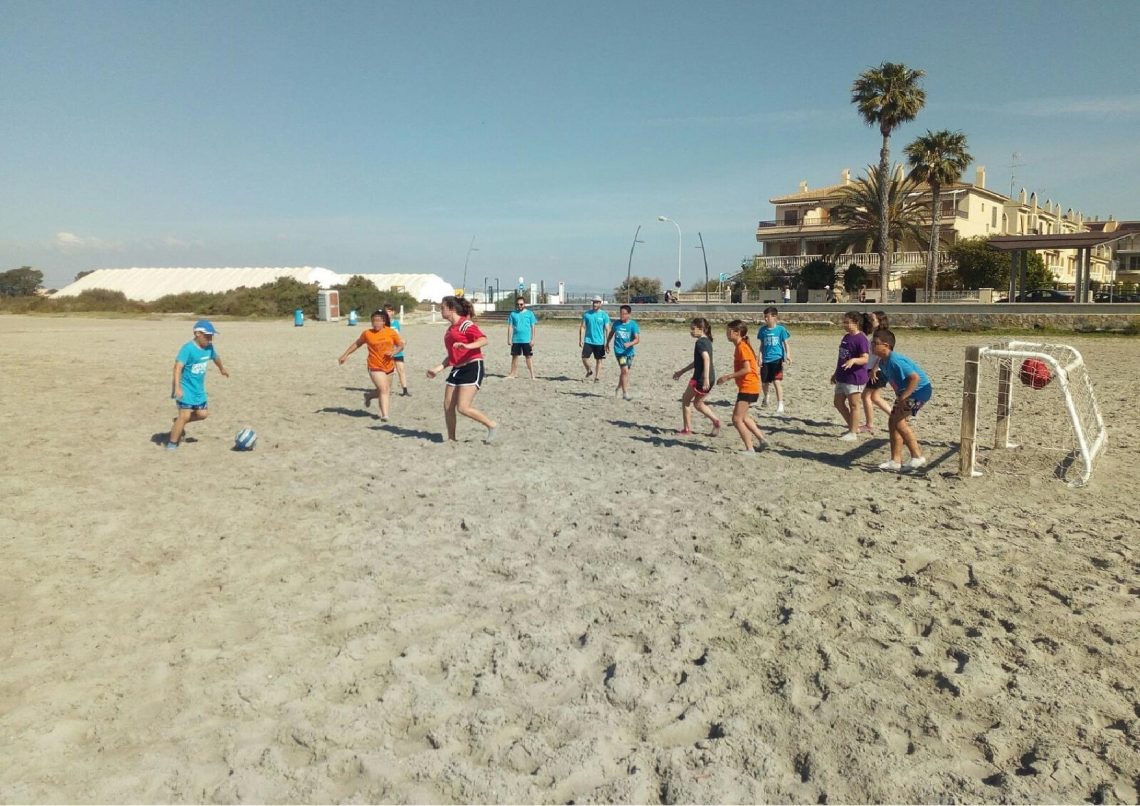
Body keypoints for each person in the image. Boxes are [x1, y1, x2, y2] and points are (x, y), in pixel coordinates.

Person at [426, 295, 497, 442]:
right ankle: (452, 439)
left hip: (472, 366)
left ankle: (491, 425)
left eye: (442, 307)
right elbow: (452, 356)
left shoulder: (466, 325)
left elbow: (484, 340)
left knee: (463, 407)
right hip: (457, 369)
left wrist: (467, 346)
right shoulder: (450, 330)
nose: (441, 310)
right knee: (448, 405)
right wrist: (437, 369)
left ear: (451, 309)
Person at [872, 329, 932, 471]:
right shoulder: (883, 362)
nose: (872, 346)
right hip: (906, 393)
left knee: (898, 422)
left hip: (919, 392)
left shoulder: (894, 360)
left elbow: (915, 378)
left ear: (886, 345)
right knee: (893, 422)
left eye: (875, 343)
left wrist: (903, 397)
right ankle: (895, 461)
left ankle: (917, 457)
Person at [167, 319, 229, 450]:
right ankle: (172, 444)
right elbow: (177, 367)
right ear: (197, 334)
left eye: (211, 336)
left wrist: (222, 369)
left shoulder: (209, 348)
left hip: (199, 390)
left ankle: (177, 422)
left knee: (202, 414)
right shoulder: (187, 349)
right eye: (207, 336)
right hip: (185, 388)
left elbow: (216, 358)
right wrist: (177, 387)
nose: (210, 339)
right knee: (185, 415)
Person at [338, 308, 406, 421]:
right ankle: (385, 415)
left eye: (379, 321)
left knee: (384, 390)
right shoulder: (367, 333)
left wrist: (394, 352)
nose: (376, 323)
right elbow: (357, 344)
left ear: (384, 322)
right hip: (374, 366)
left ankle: (369, 396)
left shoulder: (390, 332)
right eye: (374, 321)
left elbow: (401, 345)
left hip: (389, 365)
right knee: (383, 389)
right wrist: (345, 355)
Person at [716, 320, 767, 453]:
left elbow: (747, 369)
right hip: (751, 386)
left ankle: (750, 449)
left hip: (748, 386)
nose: (726, 333)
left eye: (728, 331)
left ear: (737, 333)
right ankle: (762, 439)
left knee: (736, 419)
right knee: (744, 417)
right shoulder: (741, 345)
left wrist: (728, 376)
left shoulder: (742, 347)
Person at [672, 317, 719, 436]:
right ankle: (715, 421)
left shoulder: (700, 343)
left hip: (701, 378)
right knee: (698, 404)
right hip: (710, 377)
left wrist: (706, 378)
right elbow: (697, 362)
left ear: (701, 329)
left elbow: (706, 359)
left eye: (693, 329)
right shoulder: (707, 341)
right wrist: (682, 371)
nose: (691, 331)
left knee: (686, 400)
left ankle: (687, 429)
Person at [831, 310, 870, 441]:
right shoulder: (846, 337)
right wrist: (835, 373)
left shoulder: (861, 339)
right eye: (844, 322)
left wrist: (854, 360)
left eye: (847, 322)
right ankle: (853, 426)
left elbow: (865, 358)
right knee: (838, 403)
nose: (845, 324)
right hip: (842, 376)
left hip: (855, 377)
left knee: (854, 405)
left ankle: (853, 432)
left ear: (856, 323)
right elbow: (841, 357)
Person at [860, 311, 893, 433]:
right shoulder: (876, 334)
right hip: (876, 369)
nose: (870, 321)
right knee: (875, 397)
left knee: (866, 396)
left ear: (880, 321)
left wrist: (874, 369)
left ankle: (869, 424)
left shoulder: (881, 335)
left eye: (873, 319)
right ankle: (895, 417)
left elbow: (883, 355)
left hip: (877, 370)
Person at [757, 306, 792, 414]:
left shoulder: (781, 329)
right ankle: (766, 397)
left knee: (776, 381)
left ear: (774, 317)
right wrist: (759, 357)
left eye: (767, 317)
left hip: (777, 359)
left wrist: (788, 355)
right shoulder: (762, 330)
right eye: (765, 317)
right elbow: (762, 345)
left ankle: (780, 404)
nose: (766, 319)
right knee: (764, 382)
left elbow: (786, 344)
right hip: (765, 360)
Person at [606, 304, 641, 400]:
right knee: (625, 370)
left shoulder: (633, 325)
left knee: (624, 373)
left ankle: (618, 388)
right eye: (620, 313)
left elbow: (637, 339)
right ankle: (625, 393)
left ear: (629, 314)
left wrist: (630, 343)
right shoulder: (616, 324)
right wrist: (607, 343)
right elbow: (611, 333)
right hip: (619, 352)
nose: (621, 315)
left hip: (629, 352)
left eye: (624, 314)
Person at [506, 296, 538, 379]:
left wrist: (533, 339)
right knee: (514, 357)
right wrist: (509, 339)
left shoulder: (530, 313)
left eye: (521, 304)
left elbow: (533, 326)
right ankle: (513, 374)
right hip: (516, 339)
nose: (519, 306)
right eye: (518, 304)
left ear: (524, 304)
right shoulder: (513, 314)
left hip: (526, 340)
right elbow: (510, 326)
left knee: (528, 357)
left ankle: (532, 375)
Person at [579, 295, 610, 382]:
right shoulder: (587, 314)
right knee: (584, 358)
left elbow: (607, 329)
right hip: (588, 340)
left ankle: (597, 377)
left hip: (600, 342)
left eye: (597, 302)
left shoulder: (604, 315)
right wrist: (580, 339)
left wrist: (607, 343)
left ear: (600, 304)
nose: (595, 304)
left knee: (599, 360)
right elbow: (583, 327)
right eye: (594, 302)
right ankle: (589, 370)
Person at [383, 302, 410, 396]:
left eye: (389, 311)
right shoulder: (382, 325)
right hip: (388, 351)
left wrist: (403, 341)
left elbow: (397, 336)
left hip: (397, 350)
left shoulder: (396, 323)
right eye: (386, 311)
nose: (388, 313)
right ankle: (386, 390)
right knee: (388, 372)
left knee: (401, 369)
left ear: (393, 312)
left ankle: (405, 390)